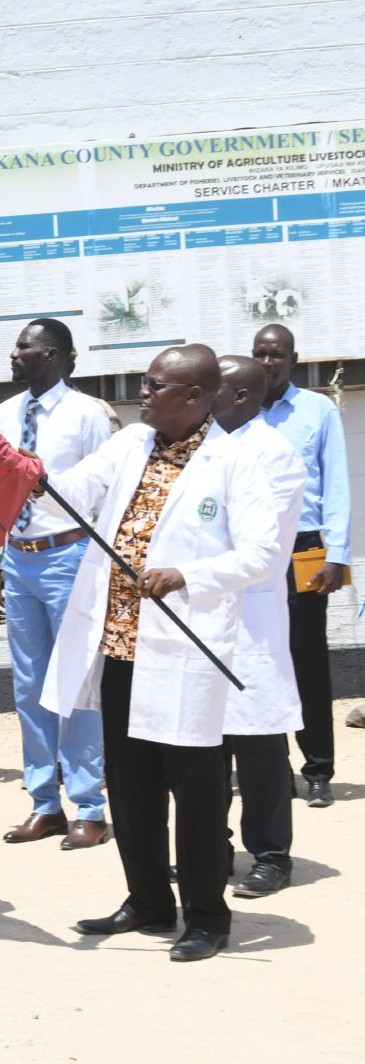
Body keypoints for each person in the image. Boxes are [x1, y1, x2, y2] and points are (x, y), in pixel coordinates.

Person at [44, 345, 283, 962]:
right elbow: (69, 491)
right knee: (131, 789)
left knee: (196, 792)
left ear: (194, 397)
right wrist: (29, 474)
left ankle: (206, 916)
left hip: (184, 653)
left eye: (154, 385)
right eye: (144, 382)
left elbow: (262, 553)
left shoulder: (235, 461)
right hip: (120, 646)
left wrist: (188, 576)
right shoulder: (130, 444)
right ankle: (148, 900)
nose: (142, 393)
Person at [0, 319, 115, 849]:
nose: (14, 354)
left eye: (24, 346)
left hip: (70, 555)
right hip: (19, 557)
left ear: (54, 355)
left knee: (77, 681)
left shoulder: (88, 414)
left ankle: (90, 805)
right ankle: (44, 803)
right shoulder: (5, 413)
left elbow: (107, 490)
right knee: (29, 685)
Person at [211, 356, 308, 898]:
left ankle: (271, 856)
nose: (202, 398)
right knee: (205, 744)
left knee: (259, 743)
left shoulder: (274, 453)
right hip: (203, 613)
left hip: (250, 618)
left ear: (243, 397)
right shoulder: (205, 447)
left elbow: (243, 536)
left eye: (213, 389)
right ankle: (214, 848)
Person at [251, 324, 350, 808]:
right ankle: (274, 770)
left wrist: (338, 555)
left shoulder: (317, 410)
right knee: (259, 661)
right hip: (253, 552)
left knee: (307, 660)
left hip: (304, 550)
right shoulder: (237, 411)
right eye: (260, 353)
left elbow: (337, 485)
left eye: (277, 354)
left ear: (293, 359)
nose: (267, 362)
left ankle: (318, 770)